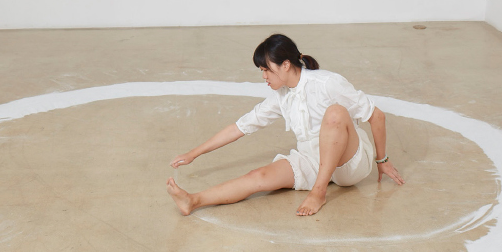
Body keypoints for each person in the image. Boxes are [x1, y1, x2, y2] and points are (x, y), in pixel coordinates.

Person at [167, 34, 404, 217]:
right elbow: (239, 127)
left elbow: (376, 116)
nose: (264, 76)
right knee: (258, 176)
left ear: (286, 65)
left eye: (266, 70)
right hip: (312, 159)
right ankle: (193, 201)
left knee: (335, 113)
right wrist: (193, 153)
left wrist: (382, 160)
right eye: (261, 71)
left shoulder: (327, 83)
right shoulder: (280, 97)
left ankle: (319, 192)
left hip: (350, 162)